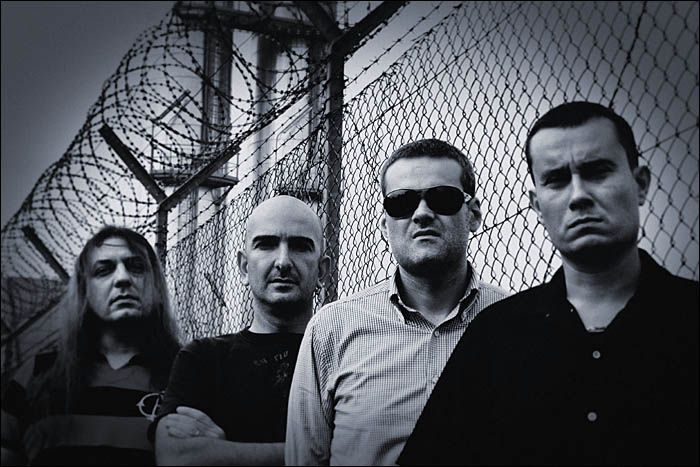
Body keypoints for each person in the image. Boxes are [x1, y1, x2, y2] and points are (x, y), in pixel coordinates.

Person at [399, 101, 699, 466]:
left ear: (640, 184)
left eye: (597, 172)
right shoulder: (494, 336)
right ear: (537, 205)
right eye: (557, 180)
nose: (579, 196)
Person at [285, 138, 509, 465]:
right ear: (384, 224)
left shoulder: (517, 323)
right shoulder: (331, 330)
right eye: (401, 202)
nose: (422, 214)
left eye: (442, 198)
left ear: (473, 215)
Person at [152, 195, 330, 465]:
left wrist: (223, 450)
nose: (283, 261)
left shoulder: (343, 357)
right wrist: (322, 451)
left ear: (322, 271)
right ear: (244, 267)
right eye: (266, 244)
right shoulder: (203, 358)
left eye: (300, 246)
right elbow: (175, 456)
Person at [1, 226, 182, 466]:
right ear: (85, 289)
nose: (123, 278)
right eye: (103, 270)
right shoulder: (36, 374)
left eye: (136, 267)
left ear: (156, 286)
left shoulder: (186, 374)